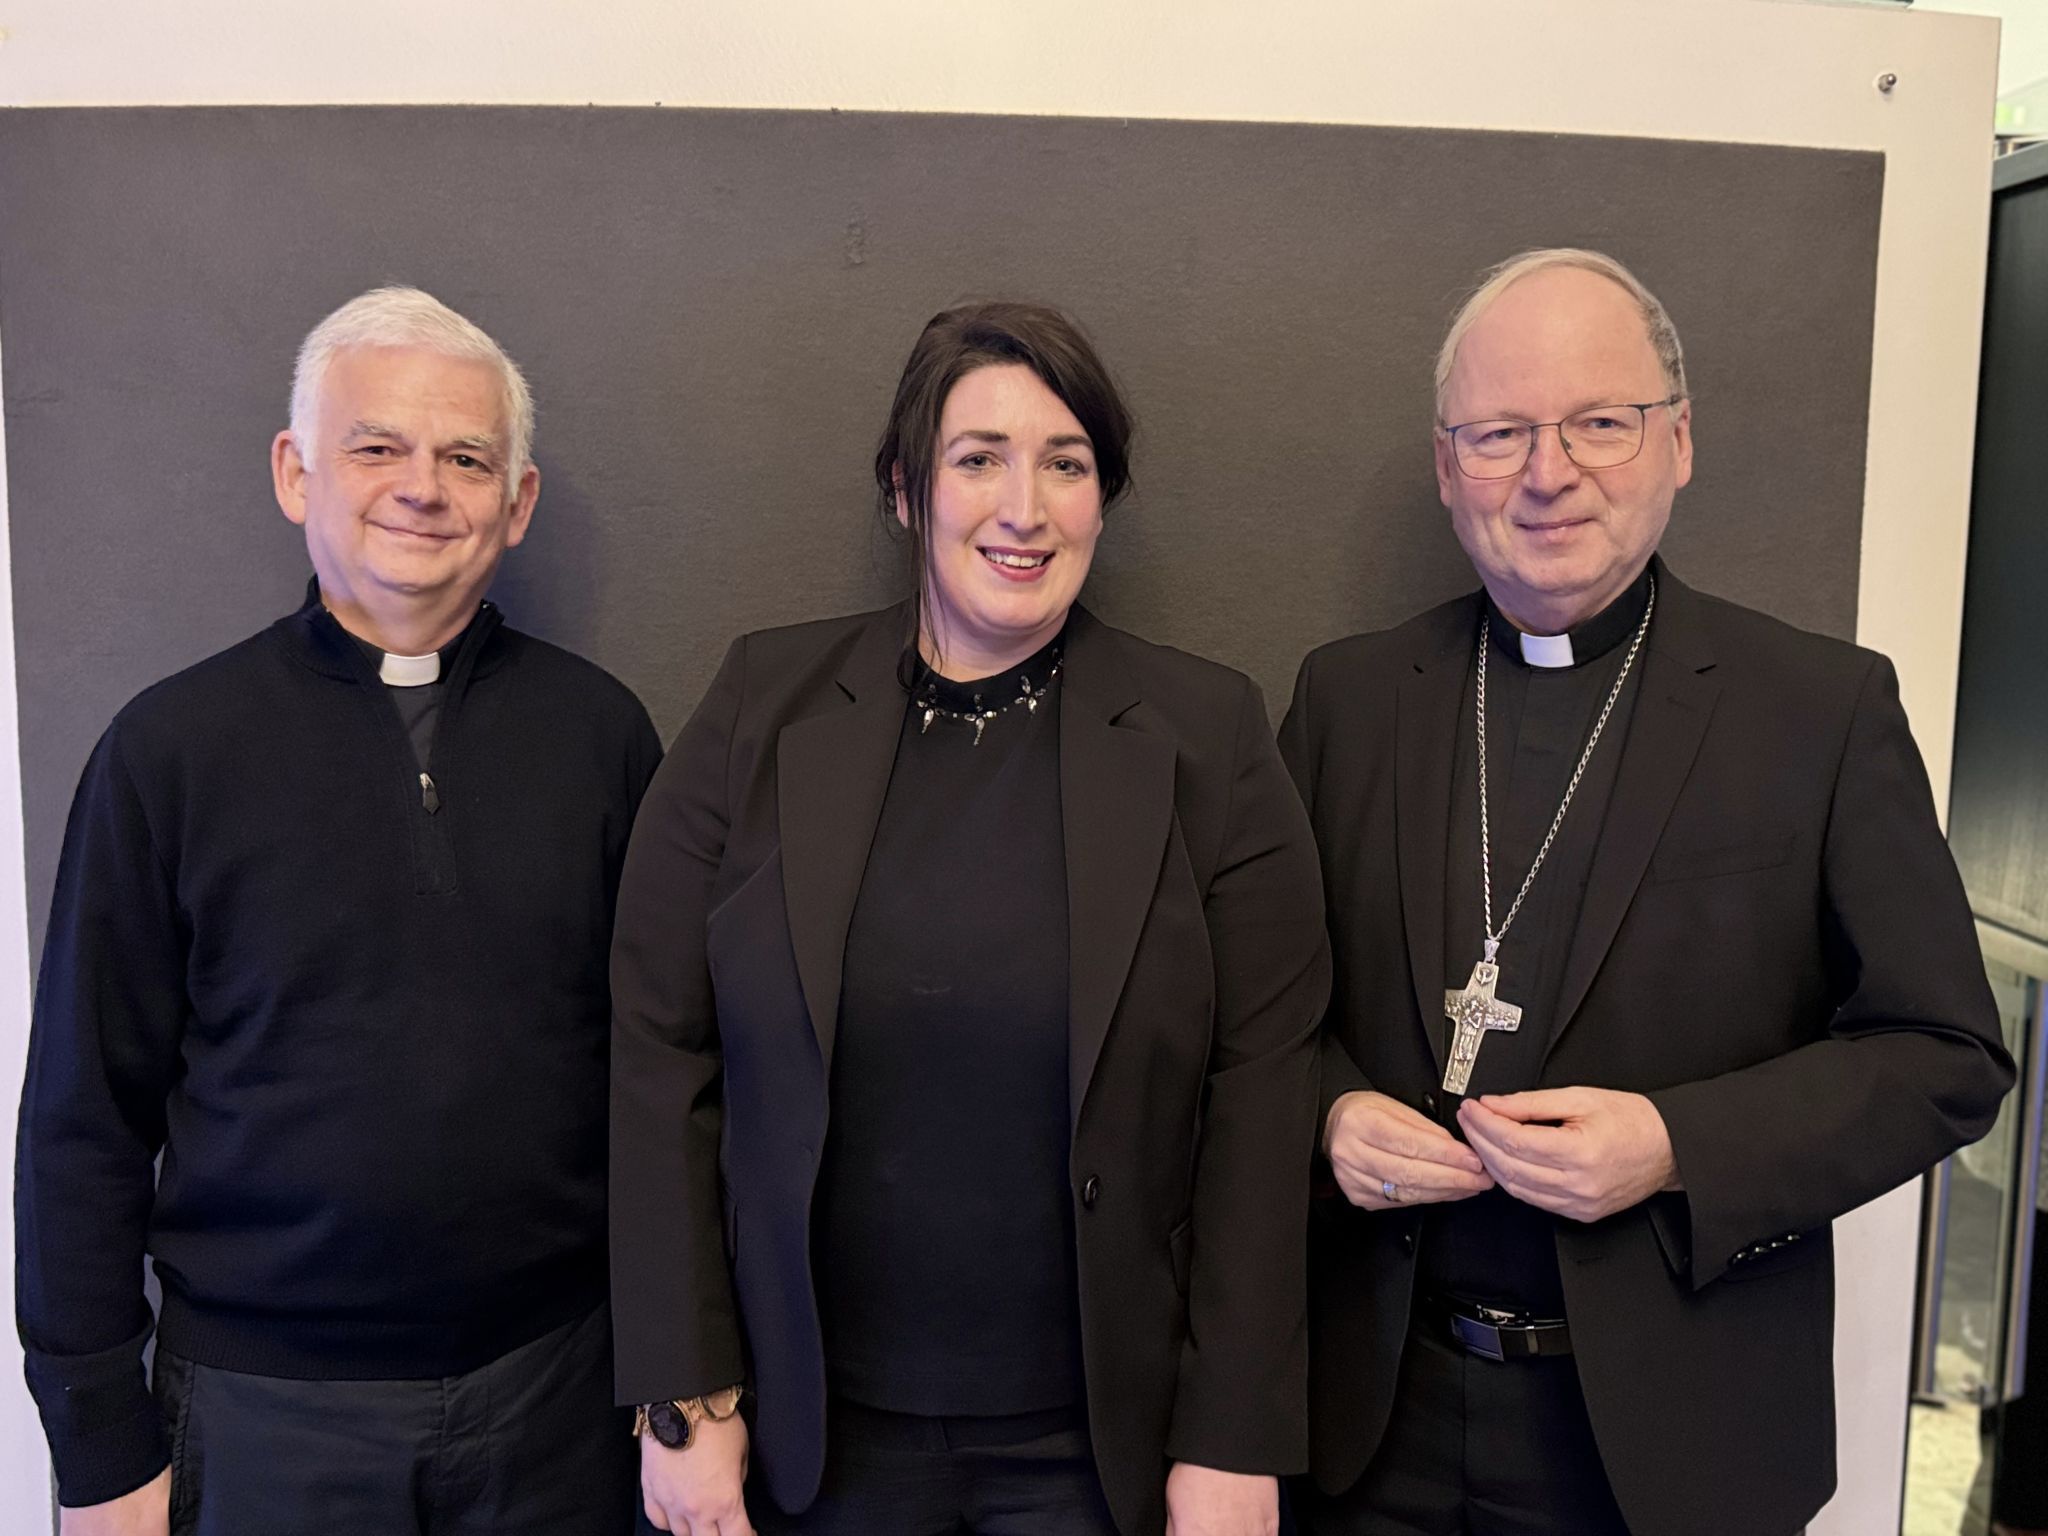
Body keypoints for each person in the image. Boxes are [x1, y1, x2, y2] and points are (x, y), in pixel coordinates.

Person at [1280, 248, 2014, 1536]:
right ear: (1447, 468)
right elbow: (1253, 1014)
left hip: (1671, 1440)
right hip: (1373, 1423)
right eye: (1498, 433)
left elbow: (1943, 1054)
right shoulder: (1347, 699)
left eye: (1599, 423)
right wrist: (1328, 1111)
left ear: (1677, 442)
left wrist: (1676, 1146)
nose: (1547, 472)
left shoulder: (1817, 710)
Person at [608, 301, 1330, 1536]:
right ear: (906, 490)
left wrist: (1233, 1436)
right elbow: (657, 1050)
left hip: (1097, 1450)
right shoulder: (759, 707)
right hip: (809, 1440)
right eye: (978, 459)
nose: (1024, 508)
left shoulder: (1205, 735)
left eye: (1066, 464)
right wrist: (682, 1395)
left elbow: (1262, 1092)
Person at [15, 286, 658, 1534]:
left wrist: (674, 1379)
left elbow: (662, 1074)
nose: (422, 487)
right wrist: (96, 1446)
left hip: (556, 1399)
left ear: (516, 502)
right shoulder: (170, 751)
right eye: (375, 447)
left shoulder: (601, 736)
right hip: (264, 1416)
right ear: (293, 472)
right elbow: (82, 1118)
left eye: (466, 457)